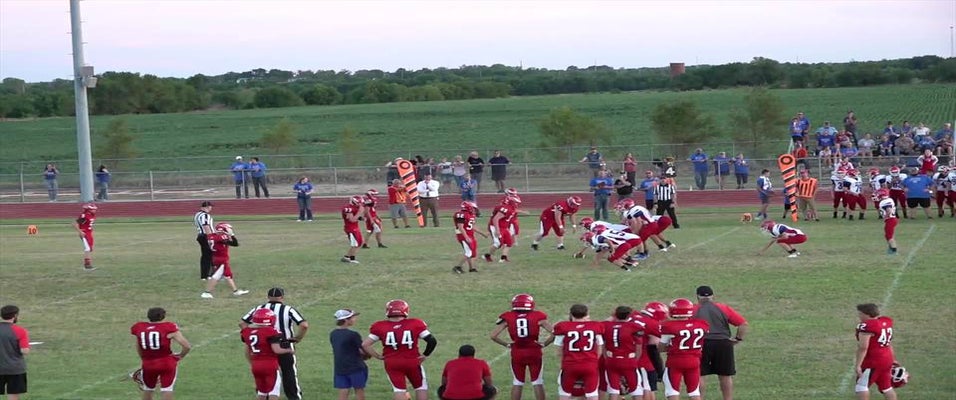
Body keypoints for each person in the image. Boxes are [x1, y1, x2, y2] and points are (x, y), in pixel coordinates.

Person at [241, 288, 310, 400]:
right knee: (288, 373)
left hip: (262, 346)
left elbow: (243, 323)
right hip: (283, 344)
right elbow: (304, 325)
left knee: (263, 375)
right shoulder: (288, 309)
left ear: (268, 297)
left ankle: (264, 395)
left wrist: (250, 336)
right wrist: (297, 338)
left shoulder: (259, 308)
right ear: (282, 297)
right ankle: (294, 397)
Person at [362, 299, 439, 400]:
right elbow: (432, 341)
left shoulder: (380, 326)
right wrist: (425, 354)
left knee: (399, 390)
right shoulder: (415, 323)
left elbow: (365, 344)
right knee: (421, 387)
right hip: (412, 361)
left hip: (392, 362)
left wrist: (378, 356)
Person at [490, 293, 553, 400]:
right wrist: (545, 343)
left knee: (517, 382)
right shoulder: (538, 316)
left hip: (517, 351)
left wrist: (506, 344)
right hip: (534, 351)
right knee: (537, 381)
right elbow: (555, 332)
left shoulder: (508, 316)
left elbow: (493, 336)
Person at [692, 286, 748, 400]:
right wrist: (738, 339)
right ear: (712, 296)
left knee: (699, 375)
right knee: (725, 376)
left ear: (698, 296)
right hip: (723, 343)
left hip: (701, 344)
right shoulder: (723, 308)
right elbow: (743, 324)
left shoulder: (693, 309)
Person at [130, 307, 192, 400]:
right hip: (166, 362)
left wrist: (144, 359)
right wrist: (180, 356)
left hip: (148, 363)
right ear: (163, 316)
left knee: (148, 389)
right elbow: (186, 346)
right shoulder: (168, 327)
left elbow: (139, 346)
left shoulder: (140, 327)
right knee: (167, 389)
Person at [659, 299, 710, 400]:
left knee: (672, 391)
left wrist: (670, 347)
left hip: (675, 361)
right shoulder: (702, 324)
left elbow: (660, 347)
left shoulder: (669, 326)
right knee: (694, 392)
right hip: (694, 361)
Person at [552, 304, 605, 400]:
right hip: (590, 365)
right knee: (592, 394)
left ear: (571, 314)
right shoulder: (595, 326)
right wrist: (593, 361)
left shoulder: (563, 327)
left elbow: (559, 351)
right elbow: (600, 349)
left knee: (565, 393)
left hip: (570, 365)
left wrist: (565, 362)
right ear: (586, 314)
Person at [242, 308, 295, 400]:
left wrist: (252, 362)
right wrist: (288, 350)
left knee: (262, 393)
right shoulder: (271, 331)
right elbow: (276, 350)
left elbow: (247, 351)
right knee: (273, 392)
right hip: (269, 364)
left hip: (256, 365)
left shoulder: (247, 332)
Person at [854, 303, 899, 400]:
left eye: (860, 314)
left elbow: (863, 347)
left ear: (867, 314)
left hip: (873, 361)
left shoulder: (867, 326)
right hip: (887, 358)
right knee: (886, 387)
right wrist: (893, 359)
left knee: (861, 386)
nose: (859, 316)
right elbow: (889, 343)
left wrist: (858, 365)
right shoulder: (886, 322)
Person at [602, 306, 645, 400]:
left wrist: (607, 358)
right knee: (636, 389)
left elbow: (603, 345)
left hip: (611, 360)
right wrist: (635, 361)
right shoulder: (635, 327)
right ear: (629, 316)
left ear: (615, 315)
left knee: (613, 390)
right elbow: (638, 346)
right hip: (628, 360)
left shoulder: (606, 325)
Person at [200, 222, 250, 298]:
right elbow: (235, 243)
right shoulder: (221, 237)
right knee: (216, 276)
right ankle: (206, 292)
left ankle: (235, 291)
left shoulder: (211, 236)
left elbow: (208, 232)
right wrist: (232, 235)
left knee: (228, 276)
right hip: (221, 259)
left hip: (216, 258)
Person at [330, 309, 369, 400]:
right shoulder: (353, 335)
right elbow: (362, 350)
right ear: (346, 320)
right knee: (359, 391)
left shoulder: (333, 334)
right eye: (353, 317)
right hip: (356, 367)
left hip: (340, 367)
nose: (355, 319)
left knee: (343, 392)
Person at [0, 305, 30, 400]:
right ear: (15, 316)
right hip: (15, 369)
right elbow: (24, 351)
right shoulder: (20, 331)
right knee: (13, 395)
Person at [483, 195, 520, 263]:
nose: (517, 204)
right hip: (496, 226)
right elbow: (495, 219)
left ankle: (503, 258)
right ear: (512, 202)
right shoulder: (506, 209)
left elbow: (507, 220)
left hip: (504, 227)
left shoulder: (511, 209)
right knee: (498, 243)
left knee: (509, 242)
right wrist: (497, 230)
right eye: (516, 202)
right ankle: (487, 256)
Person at [453, 201, 487, 274]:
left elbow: (472, 226)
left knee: (472, 252)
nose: (475, 210)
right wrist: (466, 237)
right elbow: (460, 227)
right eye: (473, 208)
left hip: (470, 234)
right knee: (469, 252)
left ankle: (472, 268)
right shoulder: (461, 214)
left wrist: (482, 233)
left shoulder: (470, 215)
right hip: (463, 235)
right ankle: (457, 267)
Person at [72, 202, 98, 271]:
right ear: (89, 210)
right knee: (87, 248)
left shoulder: (92, 215)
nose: (95, 210)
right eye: (93, 209)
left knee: (89, 248)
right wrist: (80, 232)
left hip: (89, 233)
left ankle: (88, 264)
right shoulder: (84, 216)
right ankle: (87, 265)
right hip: (84, 233)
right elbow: (75, 224)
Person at [194, 201, 215, 280]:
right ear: (207, 207)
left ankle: (204, 275)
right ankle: (208, 274)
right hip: (205, 236)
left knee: (205, 256)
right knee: (209, 255)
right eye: (210, 206)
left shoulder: (197, 214)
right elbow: (206, 226)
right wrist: (211, 238)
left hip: (201, 236)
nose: (210, 208)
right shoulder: (205, 215)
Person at [341, 195, 366, 263]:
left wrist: (361, 218)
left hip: (355, 227)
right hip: (350, 228)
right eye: (359, 203)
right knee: (355, 244)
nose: (360, 204)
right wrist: (360, 212)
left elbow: (355, 216)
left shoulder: (354, 207)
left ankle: (349, 257)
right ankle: (349, 258)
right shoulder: (348, 208)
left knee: (360, 242)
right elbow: (352, 220)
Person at [874, 189, 899, 255]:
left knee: (889, 236)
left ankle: (893, 251)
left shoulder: (884, 202)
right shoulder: (888, 200)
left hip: (890, 220)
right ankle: (891, 248)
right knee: (888, 235)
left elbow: (889, 210)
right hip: (892, 219)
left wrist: (886, 216)